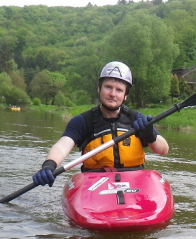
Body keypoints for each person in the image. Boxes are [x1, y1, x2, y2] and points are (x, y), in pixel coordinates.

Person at [32, 61, 169, 187]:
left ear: (125, 95)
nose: (113, 94)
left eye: (119, 90)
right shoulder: (83, 121)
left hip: (134, 180)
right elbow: (62, 146)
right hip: (94, 182)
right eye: (108, 87)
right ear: (99, 89)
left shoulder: (137, 119)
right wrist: (49, 165)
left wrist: (150, 135)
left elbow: (163, 150)